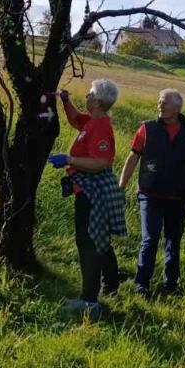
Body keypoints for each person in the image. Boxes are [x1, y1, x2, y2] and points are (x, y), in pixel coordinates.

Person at [118, 88, 185, 297]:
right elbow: (133, 158)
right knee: (149, 239)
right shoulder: (146, 129)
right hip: (150, 195)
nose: (160, 105)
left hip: (178, 198)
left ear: (177, 108)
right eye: (159, 102)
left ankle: (170, 286)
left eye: (164, 102)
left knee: (173, 242)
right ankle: (141, 285)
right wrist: (121, 187)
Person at [48, 79, 126, 316]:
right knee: (98, 238)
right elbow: (75, 120)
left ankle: (89, 300)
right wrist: (66, 101)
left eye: (90, 94)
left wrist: (69, 160)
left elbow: (101, 162)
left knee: (88, 242)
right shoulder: (92, 121)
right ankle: (111, 285)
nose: (87, 96)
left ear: (99, 102)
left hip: (93, 191)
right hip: (85, 190)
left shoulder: (101, 126)